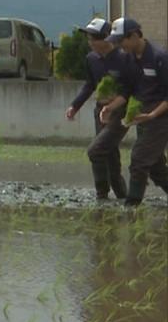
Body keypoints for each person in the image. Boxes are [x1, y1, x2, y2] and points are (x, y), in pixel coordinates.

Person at [100, 18, 168, 206]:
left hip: (161, 117)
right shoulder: (129, 59)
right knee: (155, 166)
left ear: (135, 35)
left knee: (139, 158)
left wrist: (153, 115)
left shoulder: (159, 57)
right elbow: (127, 91)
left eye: (121, 40)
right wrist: (110, 107)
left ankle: (132, 205)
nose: (119, 45)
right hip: (143, 117)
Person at [65, 18, 133, 201]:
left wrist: (113, 106)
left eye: (93, 39)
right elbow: (89, 85)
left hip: (120, 113)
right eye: (88, 38)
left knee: (96, 150)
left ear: (106, 39)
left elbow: (128, 89)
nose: (90, 43)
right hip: (100, 111)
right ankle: (121, 195)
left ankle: (101, 195)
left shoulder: (123, 58)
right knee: (109, 152)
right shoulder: (91, 59)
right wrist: (74, 105)